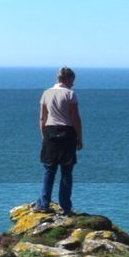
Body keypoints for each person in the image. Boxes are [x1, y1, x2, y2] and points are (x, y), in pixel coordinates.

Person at [33, 66, 83, 215]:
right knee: (66, 172)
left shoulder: (46, 93)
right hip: (67, 133)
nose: (73, 84)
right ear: (68, 79)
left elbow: (42, 118)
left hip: (50, 132)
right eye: (72, 80)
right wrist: (80, 137)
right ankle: (66, 207)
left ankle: (43, 204)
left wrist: (44, 135)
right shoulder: (70, 94)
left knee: (49, 170)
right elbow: (75, 118)